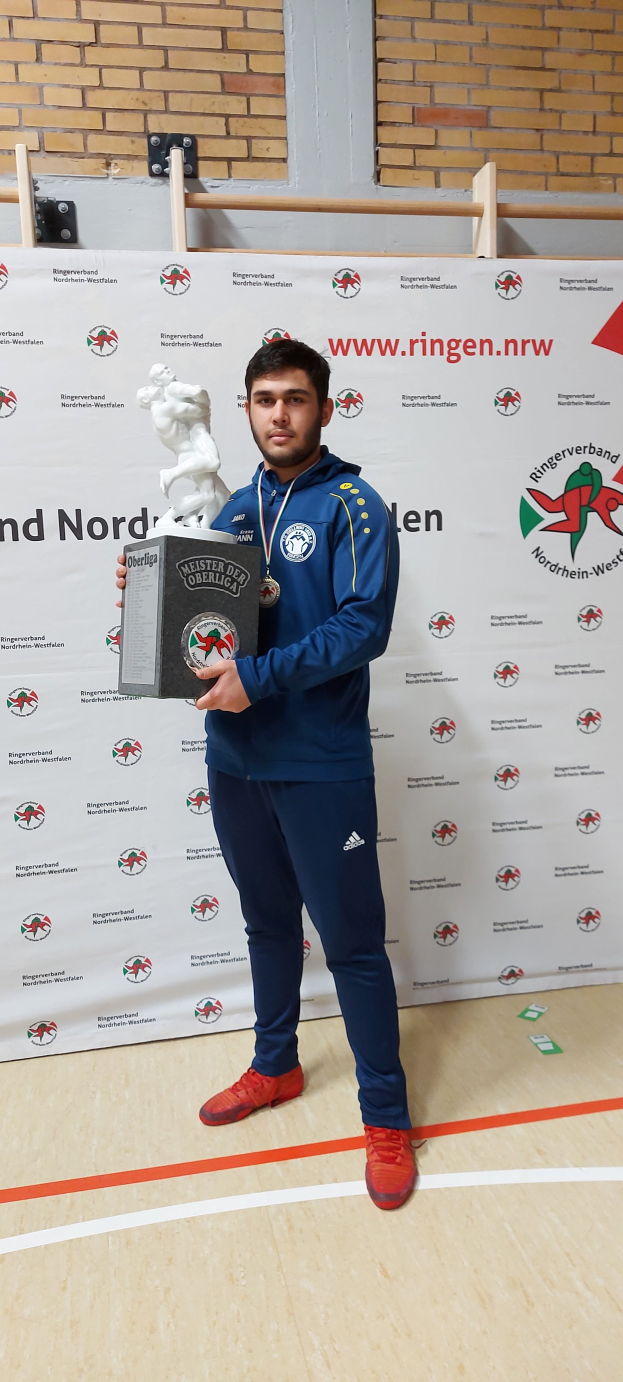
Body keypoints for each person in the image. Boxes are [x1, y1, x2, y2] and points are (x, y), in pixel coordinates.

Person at [116, 339, 416, 1210]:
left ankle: (385, 1117)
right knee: (265, 927)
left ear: (324, 408)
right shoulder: (231, 504)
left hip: (321, 764)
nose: (277, 413)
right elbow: (210, 622)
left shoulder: (354, 506)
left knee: (353, 945)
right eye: (261, 399)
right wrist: (152, 596)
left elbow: (363, 626)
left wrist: (262, 676)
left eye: (294, 398)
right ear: (243, 410)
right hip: (236, 758)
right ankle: (275, 1066)